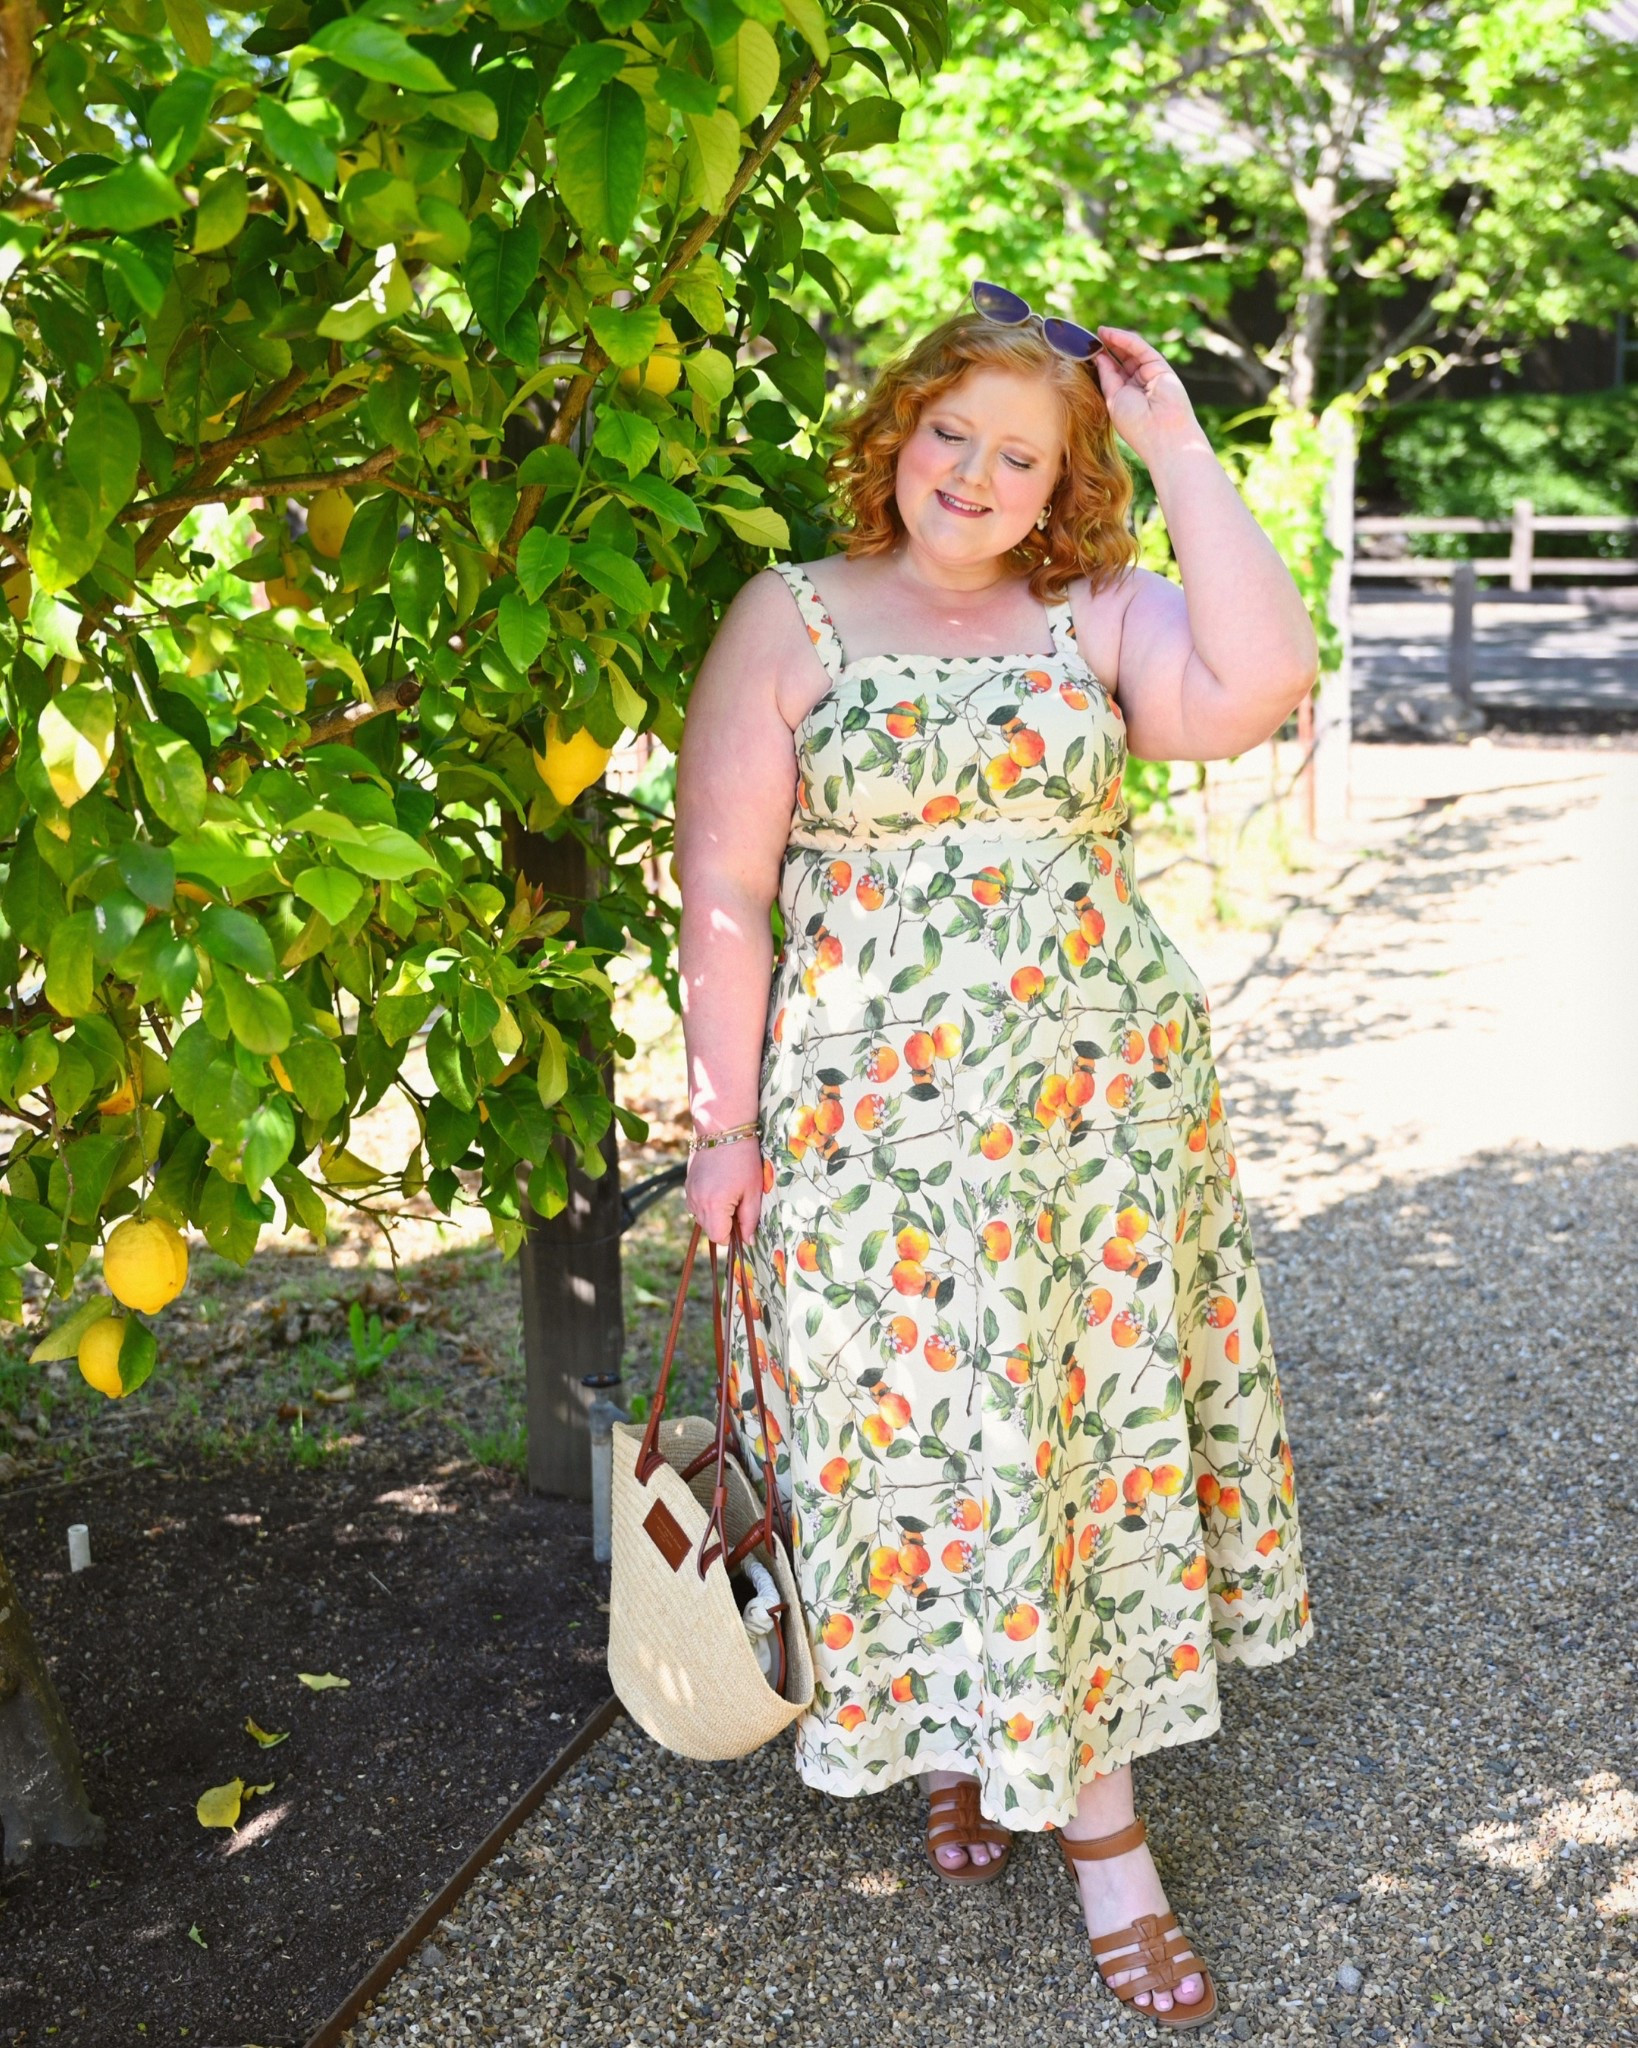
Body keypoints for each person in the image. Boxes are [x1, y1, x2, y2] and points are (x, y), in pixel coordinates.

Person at [674, 288, 1315, 2029]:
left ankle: (1098, 1834)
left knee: (1071, 1450)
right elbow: (723, 884)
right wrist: (721, 1124)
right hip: (873, 1135)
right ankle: (973, 1738)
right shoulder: (790, 614)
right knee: (925, 1442)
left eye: (1020, 455)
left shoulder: (1091, 609)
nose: (972, 472)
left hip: (1094, 1128)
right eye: (949, 430)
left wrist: (1175, 442)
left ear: (1064, 483)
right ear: (898, 431)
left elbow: (1260, 682)